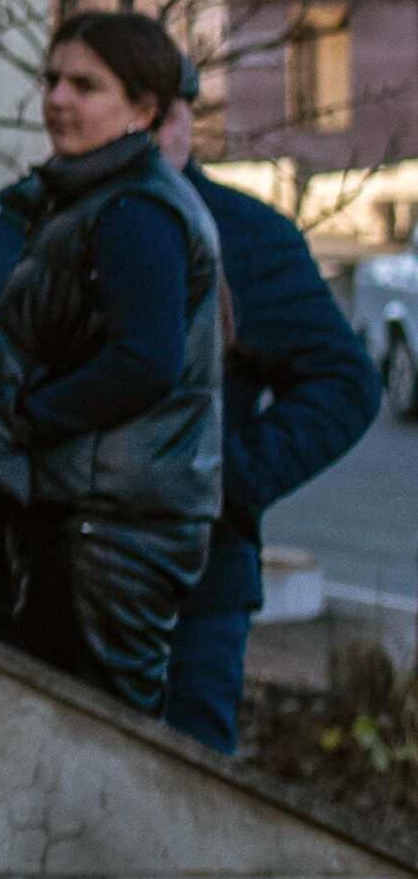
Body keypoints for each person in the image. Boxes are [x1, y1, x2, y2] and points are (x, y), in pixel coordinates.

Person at [0, 12, 227, 717]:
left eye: (85, 85)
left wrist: (21, 419)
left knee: (95, 765)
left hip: (106, 542)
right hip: (76, 530)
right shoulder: (91, 199)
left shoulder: (139, 210)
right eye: (51, 80)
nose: (58, 99)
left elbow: (145, 361)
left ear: (144, 109)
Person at [155, 108, 383, 751]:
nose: (61, 102)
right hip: (63, 578)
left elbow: (345, 382)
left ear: (174, 114)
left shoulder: (241, 234)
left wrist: (222, 481)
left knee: (185, 796)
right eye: (53, 82)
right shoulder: (39, 219)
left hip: (198, 584)